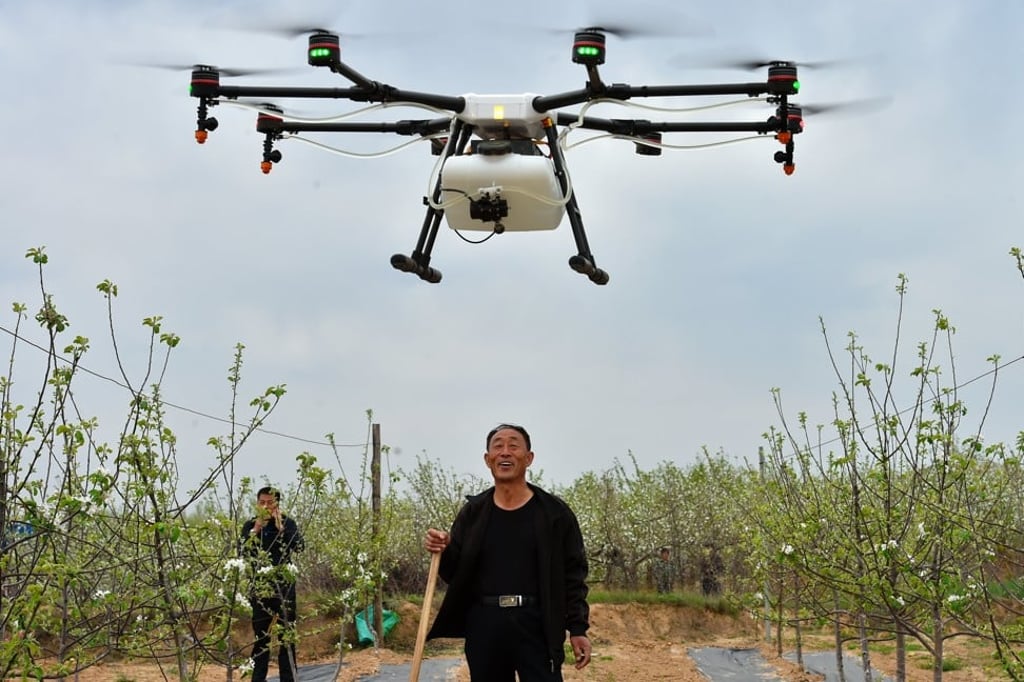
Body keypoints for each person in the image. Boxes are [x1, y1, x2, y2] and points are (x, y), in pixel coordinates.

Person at [424, 423, 592, 681]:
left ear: (529, 458)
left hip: (537, 624)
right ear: (487, 459)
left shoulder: (554, 514)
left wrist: (578, 628)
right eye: (498, 446)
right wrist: (442, 550)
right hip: (485, 624)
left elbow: (574, 574)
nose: (505, 452)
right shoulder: (474, 512)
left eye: (513, 446)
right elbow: (454, 572)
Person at [239, 486, 305, 682]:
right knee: (261, 638)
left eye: (270, 503)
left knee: (287, 636)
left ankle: (288, 678)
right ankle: (258, 679)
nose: (266, 506)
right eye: (262, 503)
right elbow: (242, 551)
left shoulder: (287, 523)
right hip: (260, 589)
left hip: (284, 588)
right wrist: (256, 530)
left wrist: (281, 529)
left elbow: (299, 546)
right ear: (257, 503)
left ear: (277, 505)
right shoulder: (250, 525)